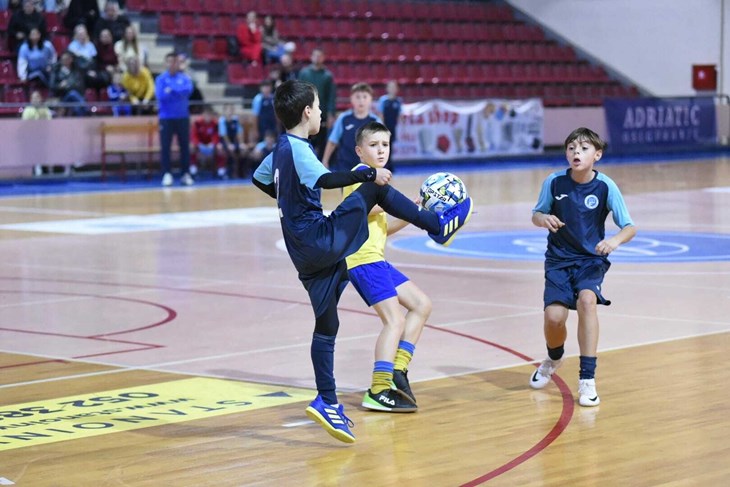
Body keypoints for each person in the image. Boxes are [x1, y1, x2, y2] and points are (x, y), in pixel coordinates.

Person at [251, 79, 474, 443]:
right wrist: (367, 174)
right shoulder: (298, 146)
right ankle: (437, 223)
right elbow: (326, 179)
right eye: (320, 107)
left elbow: (260, 180)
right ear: (307, 112)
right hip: (319, 237)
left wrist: (291, 194)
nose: (322, 113)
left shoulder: (278, 149)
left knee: (327, 325)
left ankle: (327, 400)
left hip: (305, 252)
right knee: (372, 189)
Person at [528, 127, 637, 407]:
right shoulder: (553, 182)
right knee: (554, 318)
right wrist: (543, 220)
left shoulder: (605, 186)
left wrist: (613, 241)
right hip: (558, 260)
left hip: (590, 260)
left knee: (588, 301)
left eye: (584, 148)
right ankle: (554, 357)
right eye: (572, 148)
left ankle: (587, 379)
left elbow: (629, 227)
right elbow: (536, 214)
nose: (577, 152)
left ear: (597, 155)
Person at [343, 121, 430, 412]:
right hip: (363, 261)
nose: (381, 150)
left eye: (385, 145)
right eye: (374, 145)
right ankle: (378, 389)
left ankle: (398, 370)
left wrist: (407, 215)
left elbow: (383, 227)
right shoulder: (359, 176)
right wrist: (405, 205)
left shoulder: (379, 183)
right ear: (359, 151)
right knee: (394, 321)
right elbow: (361, 207)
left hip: (378, 260)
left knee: (421, 304)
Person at [322, 82, 380, 172]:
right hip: (345, 167)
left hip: (368, 167)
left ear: (371, 99)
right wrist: (325, 161)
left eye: (365, 97)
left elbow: (380, 145)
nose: (361, 100)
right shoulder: (344, 118)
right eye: (357, 97)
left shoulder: (375, 121)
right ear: (351, 99)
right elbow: (332, 141)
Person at [156, 51, 194, 187]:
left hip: (183, 117)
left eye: (175, 61)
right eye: (170, 61)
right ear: (166, 63)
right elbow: (161, 96)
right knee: (165, 147)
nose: (172, 64)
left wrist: (171, 90)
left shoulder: (185, 78)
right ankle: (167, 174)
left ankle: (185, 174)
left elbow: (187, 92)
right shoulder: (160, 79)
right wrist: (177, 91)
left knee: (185, 147)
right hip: (166, 118)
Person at [297, 47, 336, 159]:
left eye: (320, 56)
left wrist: (330, 114)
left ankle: (320, 165)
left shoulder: (328, 76)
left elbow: (331, 96)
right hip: (305, 112)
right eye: (315, 55)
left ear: (323, 58)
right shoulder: (304, 73)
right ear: (311, 57)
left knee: (322, 140)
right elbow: (299, 92)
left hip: (321, 114)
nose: (317, 58)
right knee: (305, 139)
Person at [49, 50, 88, 116]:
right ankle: (86, 108)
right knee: (73, 94)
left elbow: (87, 64)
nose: (64, 61)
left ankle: (82, 123)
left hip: (76, 96)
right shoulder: (57, 70)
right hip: (63, 97)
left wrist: (77, 56)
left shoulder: (76, 70)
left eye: (67, 59)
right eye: (63, 59)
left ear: (71, 59)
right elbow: (51, 86)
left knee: (78, 108)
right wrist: (60, 86)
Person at [376, 80, 403, 172]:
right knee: (382, 146)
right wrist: (382, 127)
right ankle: (382, 164)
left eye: (394, 87)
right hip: (384, 128)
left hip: (393, 128)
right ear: (387, 89)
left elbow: (400, 115)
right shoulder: (383, 100)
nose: (392, 89)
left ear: (397, 89)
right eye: (390, 87)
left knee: (390, 147)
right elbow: (381, 114)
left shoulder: (398, 101)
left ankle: (389, 164)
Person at [190, 107, 221, 178]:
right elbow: (194, 136)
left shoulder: (215, 123)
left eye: (209, 115)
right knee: (191, 147)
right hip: (200, 145)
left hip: (211, 145)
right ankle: (193, 170)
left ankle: (221, 171)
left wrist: (212, 144)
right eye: (206, 115)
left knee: (220, 147)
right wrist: (199, 144)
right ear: (203, 115)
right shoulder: (197, 123)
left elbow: (216, 136)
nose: (208, 117)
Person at [218, 103, 246, 178]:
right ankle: (229, 172)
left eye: (231, 110)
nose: (230, 112)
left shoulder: (236, 120)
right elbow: (224, 135)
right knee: (230, 151)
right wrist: (229, 144)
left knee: (243, 150)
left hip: (234, 141)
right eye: (228, 110)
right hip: (225, 142)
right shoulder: (222, 120)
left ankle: (241, 172)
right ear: (224, 111)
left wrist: (241, 143)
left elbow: (239, 132)